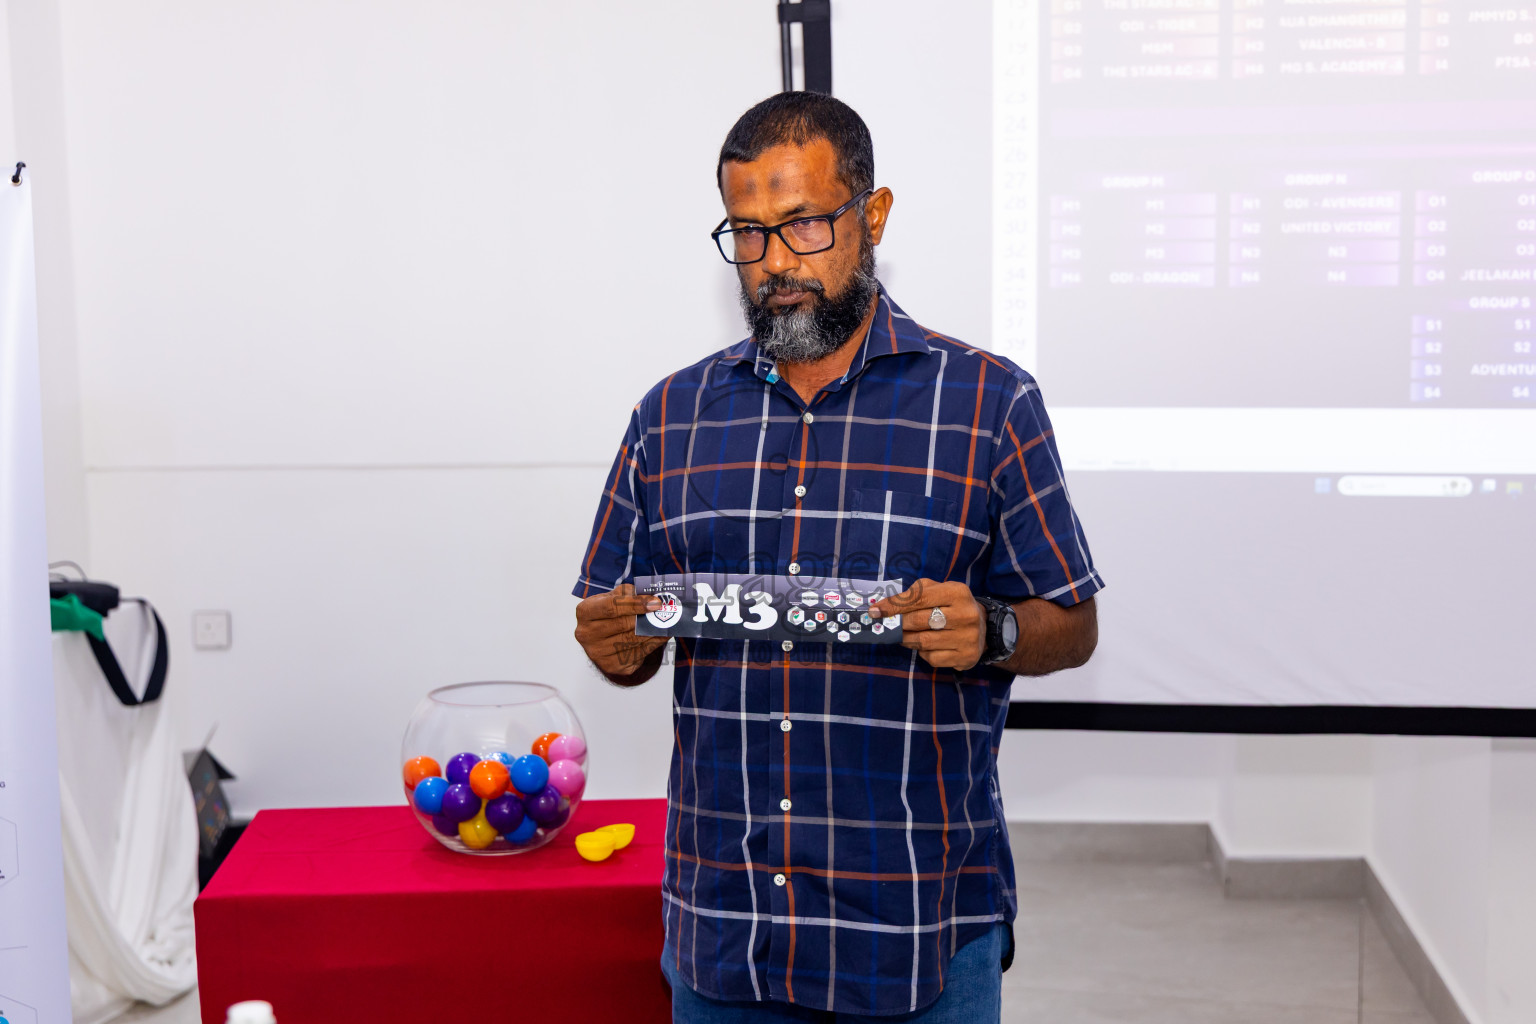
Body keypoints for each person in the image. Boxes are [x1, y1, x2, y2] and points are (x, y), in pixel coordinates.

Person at [572, 92, 1102, 1023]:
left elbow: (1075, 625)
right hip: (723, 930)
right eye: (747, 233)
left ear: (874, 215)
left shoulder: (989, 404)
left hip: (918, 927)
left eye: (803, 224)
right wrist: (618, 646)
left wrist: (995, 629)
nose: (776, 262)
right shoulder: (670, 417)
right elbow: (626, 634)